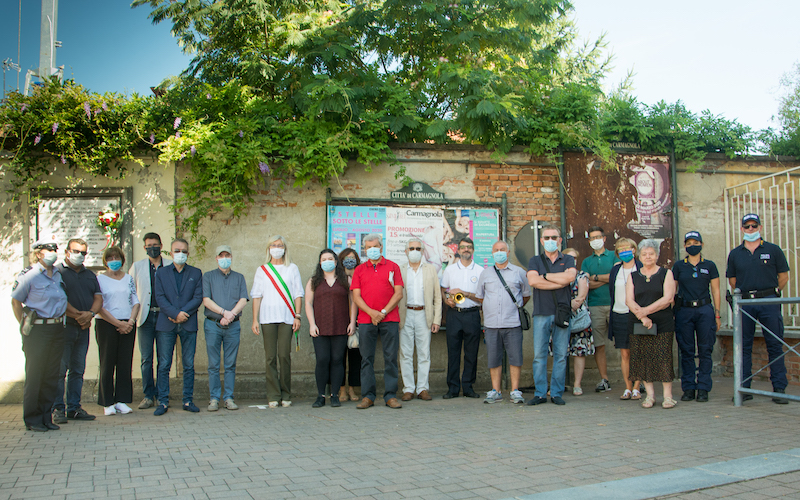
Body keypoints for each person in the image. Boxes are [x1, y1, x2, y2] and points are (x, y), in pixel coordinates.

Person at [726, 213, 790, 404]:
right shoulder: (735, 253)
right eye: (747, 226)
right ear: (742, 229)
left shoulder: (773, 249)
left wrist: (772, 292)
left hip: (769, 301)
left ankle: (779, 388)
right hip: (745, 303)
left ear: (760, 228)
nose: (751, 229)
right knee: (743, 346)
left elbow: (783, 276)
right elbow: (732, 280)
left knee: (775, 344)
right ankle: (744, 388)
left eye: (754, 226)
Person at [11, 237, 68, 431]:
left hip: (57, 328)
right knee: (36, 374)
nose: (52, 252)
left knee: (51, 374)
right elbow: (16, 302)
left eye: (54, 249)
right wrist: (24, 324)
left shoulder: (58, 274)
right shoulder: (29, 275)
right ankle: (33, 419)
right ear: (38, 253)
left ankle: (46, 416)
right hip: (38, 329)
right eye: (47, 249)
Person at [350, 233, 404, 409]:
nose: (372, 250)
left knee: (390, 357)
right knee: (366, 358)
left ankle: (390, 395)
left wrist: (382, 312)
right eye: (368, 247)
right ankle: (368, 396)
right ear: (364, 250)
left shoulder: (393, 267)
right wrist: (372, 313)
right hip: (366, 319)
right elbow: (356, 297)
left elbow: (398, 294)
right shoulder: (359, 270)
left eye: (375, 247)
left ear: (381, 248)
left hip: (390, 319)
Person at [251, 235, 304, 408]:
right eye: (273, 245)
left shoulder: (292, 268)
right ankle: (273, 394)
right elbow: (257, 296)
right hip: (267, 318)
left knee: (284, 355)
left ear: (285, 248)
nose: (277, 248)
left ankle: (286, 394)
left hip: (287, 318)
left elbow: (298, 294)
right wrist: (255, 320)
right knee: (270, 357)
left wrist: (297, 315)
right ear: (268, 248)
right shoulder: (262, 270)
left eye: (280, 245)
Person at [526, 225, 576, 406]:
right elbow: (533, 281)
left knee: (561, 355)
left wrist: (545, 276)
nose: (550, 241)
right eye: (546, 238)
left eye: (553, 237)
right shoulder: (535, 260)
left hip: (561, 312)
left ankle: (556, 393)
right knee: (539, 355)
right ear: (541, 241)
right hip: (541, 313)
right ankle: (540, 393)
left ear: (560, 240)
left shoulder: (568, 259)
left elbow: (570, 278)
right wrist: (558, 281)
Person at [476, 240, 531, 404]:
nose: (499, 252)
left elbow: (526, 295)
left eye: (502, 250)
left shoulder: (519, 272)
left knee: (515, 357)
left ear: (508, 252)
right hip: (491, 324)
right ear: (492, 253)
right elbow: (480, 296)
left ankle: (515, 390)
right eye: (496, 250)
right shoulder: (485, 273)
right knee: (494, 358)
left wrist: (514, 307)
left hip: (513, 322)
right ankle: (496, 390)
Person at [153, 238, 203, 415]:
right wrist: (175, 314)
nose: (180, 254)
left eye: (183, 251)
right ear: (170, 252)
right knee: (164, 364)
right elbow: (160, 297)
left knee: (188, 364)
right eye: (176, 250)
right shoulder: (162, 273)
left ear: (188, 254)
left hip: (188, 323)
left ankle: (188, 400)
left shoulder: (196, 273)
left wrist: (183, 314)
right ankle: (163, 401)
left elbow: (198, 298)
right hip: (166, 323)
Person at [54, 238, 101, 423]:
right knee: (60, 370)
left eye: (83, 253)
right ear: (67, 252)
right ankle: (58, 408)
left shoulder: (89, 274)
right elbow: (57, 299)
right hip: (65, 327)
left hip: (83, 328)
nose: (80, 255)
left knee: (77, 369)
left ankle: (74, 408)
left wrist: (90, 314)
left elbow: (98, 298)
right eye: (76, 251)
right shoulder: (57, 273)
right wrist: (78, 316)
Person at [626, 239, 677, 409]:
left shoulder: (666, 273)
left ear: (657, 255)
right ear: (639, 256)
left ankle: (668, 397)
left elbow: (668, 298)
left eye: (651, 254)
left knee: (663, 358)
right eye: (644, 254)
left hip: (662, 323)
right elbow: (629, 300)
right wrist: (642, 317)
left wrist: (645, 311)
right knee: (644, 359)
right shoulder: (633, 276)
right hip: (640, 324)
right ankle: (650, 396)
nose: (648, 256)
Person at [305, 249, 357, 408]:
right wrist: (312, 324)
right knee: (322, 360)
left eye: (330, 259)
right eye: (323, 259)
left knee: (337, 360)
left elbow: (354, 301)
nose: (327, 261)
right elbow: (308, 303)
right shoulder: (313, 281)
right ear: (320, 263)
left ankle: (335, 395)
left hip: (340, 326)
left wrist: (352, 322)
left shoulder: (345, 279)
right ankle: (321, 395)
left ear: (335, 262)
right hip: (319, 328)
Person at [672, 231, 721, 403]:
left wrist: (717, 313)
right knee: (686, 350)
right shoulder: (679, 266)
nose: (692, 245)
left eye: (696, 242)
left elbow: (715, 290)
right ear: (685, 246)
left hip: (705, 309)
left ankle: (703, 388)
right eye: (689, 243)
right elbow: (673, 290)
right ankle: (689, 388)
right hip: (684, 310)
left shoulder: (710, 265)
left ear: (702, 244)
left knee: (706, 350)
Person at [202, 245, 249, 411]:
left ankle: (229, 397)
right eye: (221, 255)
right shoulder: (208, 277)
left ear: (231, 257)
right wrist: (223, 313)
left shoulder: (239, 277)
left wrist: (231, 315)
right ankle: (214, 398)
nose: (224, 258)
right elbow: (206, 300)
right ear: (216, 258)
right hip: (213, 325)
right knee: (213, 364)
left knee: (230, 364)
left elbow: (243, 299)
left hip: (233, 326)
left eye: (227, 255)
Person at [129, 232, 172, 409]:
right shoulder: (137, 266)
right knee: (146, 359)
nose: (152, 248)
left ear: (161, 246)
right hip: (145, 317)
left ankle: (163, 396)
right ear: (144, 247)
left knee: (164, 359)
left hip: (164, 316)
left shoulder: (170, 264)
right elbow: (131, 292)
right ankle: (148, 395)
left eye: (155, 245)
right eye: (148, 245)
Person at [96, 246, 140, 416]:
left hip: (128, 323)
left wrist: (130, 321)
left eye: (117, 257)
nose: (114, 261)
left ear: (122, 259)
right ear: (105, 261)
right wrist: (117, 323)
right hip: (107, 324)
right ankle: (107, 402)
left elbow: (135, 301)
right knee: (107, 362)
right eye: (110, 258)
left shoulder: (128, 278)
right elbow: (99, 305)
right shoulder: (100, 279)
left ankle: (121, 400)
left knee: (124, 362)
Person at [398, 238, 442, 402]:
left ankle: (422, 388)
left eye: (418, 248)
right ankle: (408, 388)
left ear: (423, 251)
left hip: (425, 315)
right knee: (405, 353)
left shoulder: (430, 269)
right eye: (411, 248)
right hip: (406, 314)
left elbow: (437, 297)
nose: (414, 251)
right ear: (406, 251)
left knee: (424, 354)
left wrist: (436, 319)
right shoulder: (400, 270)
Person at [439, 237, 484, 399]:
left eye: (469, 247)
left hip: (472, 313)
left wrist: (466, 293)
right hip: (454, 314)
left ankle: (468, 387)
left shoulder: (480, 271)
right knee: (453, 352)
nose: (466, 250)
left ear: (473, 250)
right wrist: (446, 300)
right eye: (463, 247)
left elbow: (482, 298)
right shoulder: (450, 270)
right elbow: (443, 289)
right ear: (458, 250)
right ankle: (452, 388)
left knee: (471, 353)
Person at [581, 226, 619, 392]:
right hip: (595, 306)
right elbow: (586, 284)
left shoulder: (614, 255)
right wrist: (607, 279)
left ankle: (635, 380)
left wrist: (595, 277)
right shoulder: (586, 262)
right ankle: (604, 379)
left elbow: (617, 276)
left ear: (604, 238)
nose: (595, 240)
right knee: (599, 345)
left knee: (625, 343)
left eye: (598, 237)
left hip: (616, 304)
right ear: (589, 241)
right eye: (592, 238)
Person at [609, 238, 644, 401]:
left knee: (638, 351)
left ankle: (637, 387)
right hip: (619, 314)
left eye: (627, 248)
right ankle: (628, 387)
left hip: (637, 314)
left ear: (634, 249)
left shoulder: (642, 268)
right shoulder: (616, 270)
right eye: (620, 249)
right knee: (625, 353)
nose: (624, 251)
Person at [563, 248, 594, 396]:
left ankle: (577, 385)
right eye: (569, 257)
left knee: (579, 352)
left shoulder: (582, 276)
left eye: (575, 258)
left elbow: (581, 297)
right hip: (560, 318)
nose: (572, 260)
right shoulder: (559, 275)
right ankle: (559, 384)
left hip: (579, 319)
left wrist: (568, 304)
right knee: (559, 352)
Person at [338, 247, 362, 402]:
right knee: (339, 358)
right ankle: (341, 390)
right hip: (339, 321)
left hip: (359, 321)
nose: (350, 260)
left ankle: (353, 389)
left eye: (352, 257)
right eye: (346, 257)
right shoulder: (338, 278)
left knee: (355, 358)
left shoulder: (361, 276)